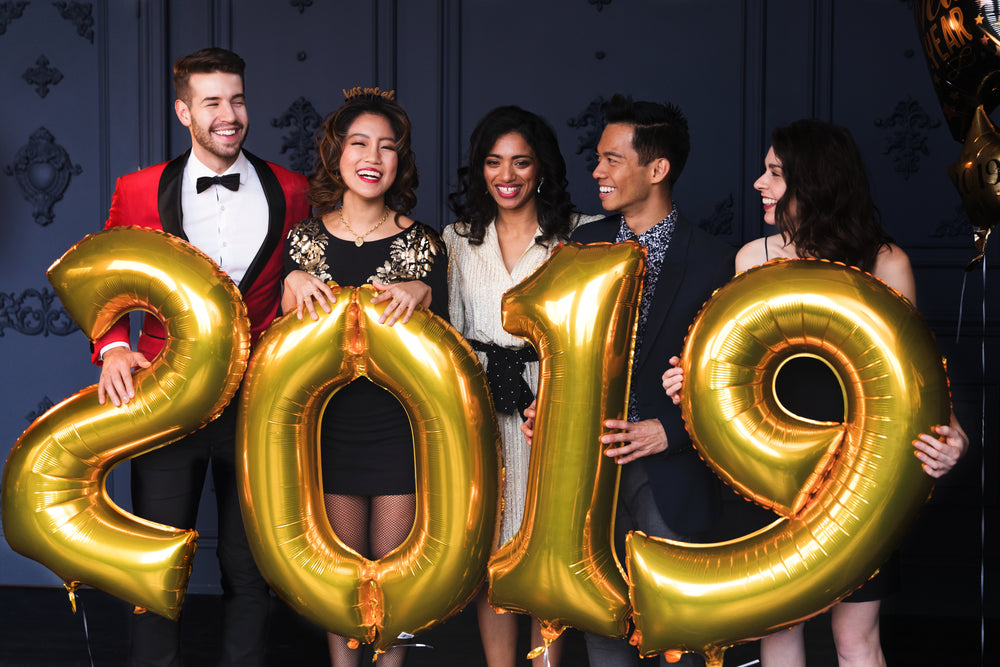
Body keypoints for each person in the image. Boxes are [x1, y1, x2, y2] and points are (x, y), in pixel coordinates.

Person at [662, 118, 969, 667]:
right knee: (778, 634)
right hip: (771, 471)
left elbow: (919, 381)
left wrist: (956, 438)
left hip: (862, 474)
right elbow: (731, 367)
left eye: (776, 173)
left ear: (817, 182)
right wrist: (690, 383)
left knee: (856, 639)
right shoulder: (752, 259)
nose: (759, 182)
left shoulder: (884, 262)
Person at [93, 47, 310, 666]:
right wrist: (112, 347)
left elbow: (312, 270)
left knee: (251, 569)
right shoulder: (137, 191)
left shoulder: (292, 190)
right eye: (213, 102)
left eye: (238, 99)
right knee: (154, 567)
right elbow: (106, 279)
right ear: (184, 111)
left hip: (260, 402)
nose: (230, 114)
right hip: (165, 399)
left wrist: (301, 276)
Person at [523, 94, 736, 666]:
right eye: (598, 159)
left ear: (657, 169)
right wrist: (545, 403)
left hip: (672, 472)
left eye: (612, 160)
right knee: (600, 620)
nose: (596, 171)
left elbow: (733, 380)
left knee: (679, 632)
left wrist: (672, 430)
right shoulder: (583, 246)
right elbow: (559, 349)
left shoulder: (720, 261)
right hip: (585, 472)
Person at [281, 89, 447, 667]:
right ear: (337, 154)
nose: (373, 156)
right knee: (343, 572)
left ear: (400, 161)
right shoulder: (302, 240)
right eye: (360, 143)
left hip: (400, 431)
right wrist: (288, 288)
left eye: (388, 146)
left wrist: (425, 292)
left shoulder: (425, 244)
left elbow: (446, 350)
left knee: (395, 574)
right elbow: (285, 346)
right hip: (330, 430)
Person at [443, 105, 600, 667]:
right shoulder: (458, 239)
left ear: (542, 169)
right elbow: (453, 337)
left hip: (552, 405)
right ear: (479, 169)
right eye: (493, 162)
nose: (506, 176)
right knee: (493, 551)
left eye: (520, 163)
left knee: (547, 547)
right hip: (483, 406)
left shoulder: (579, 236)